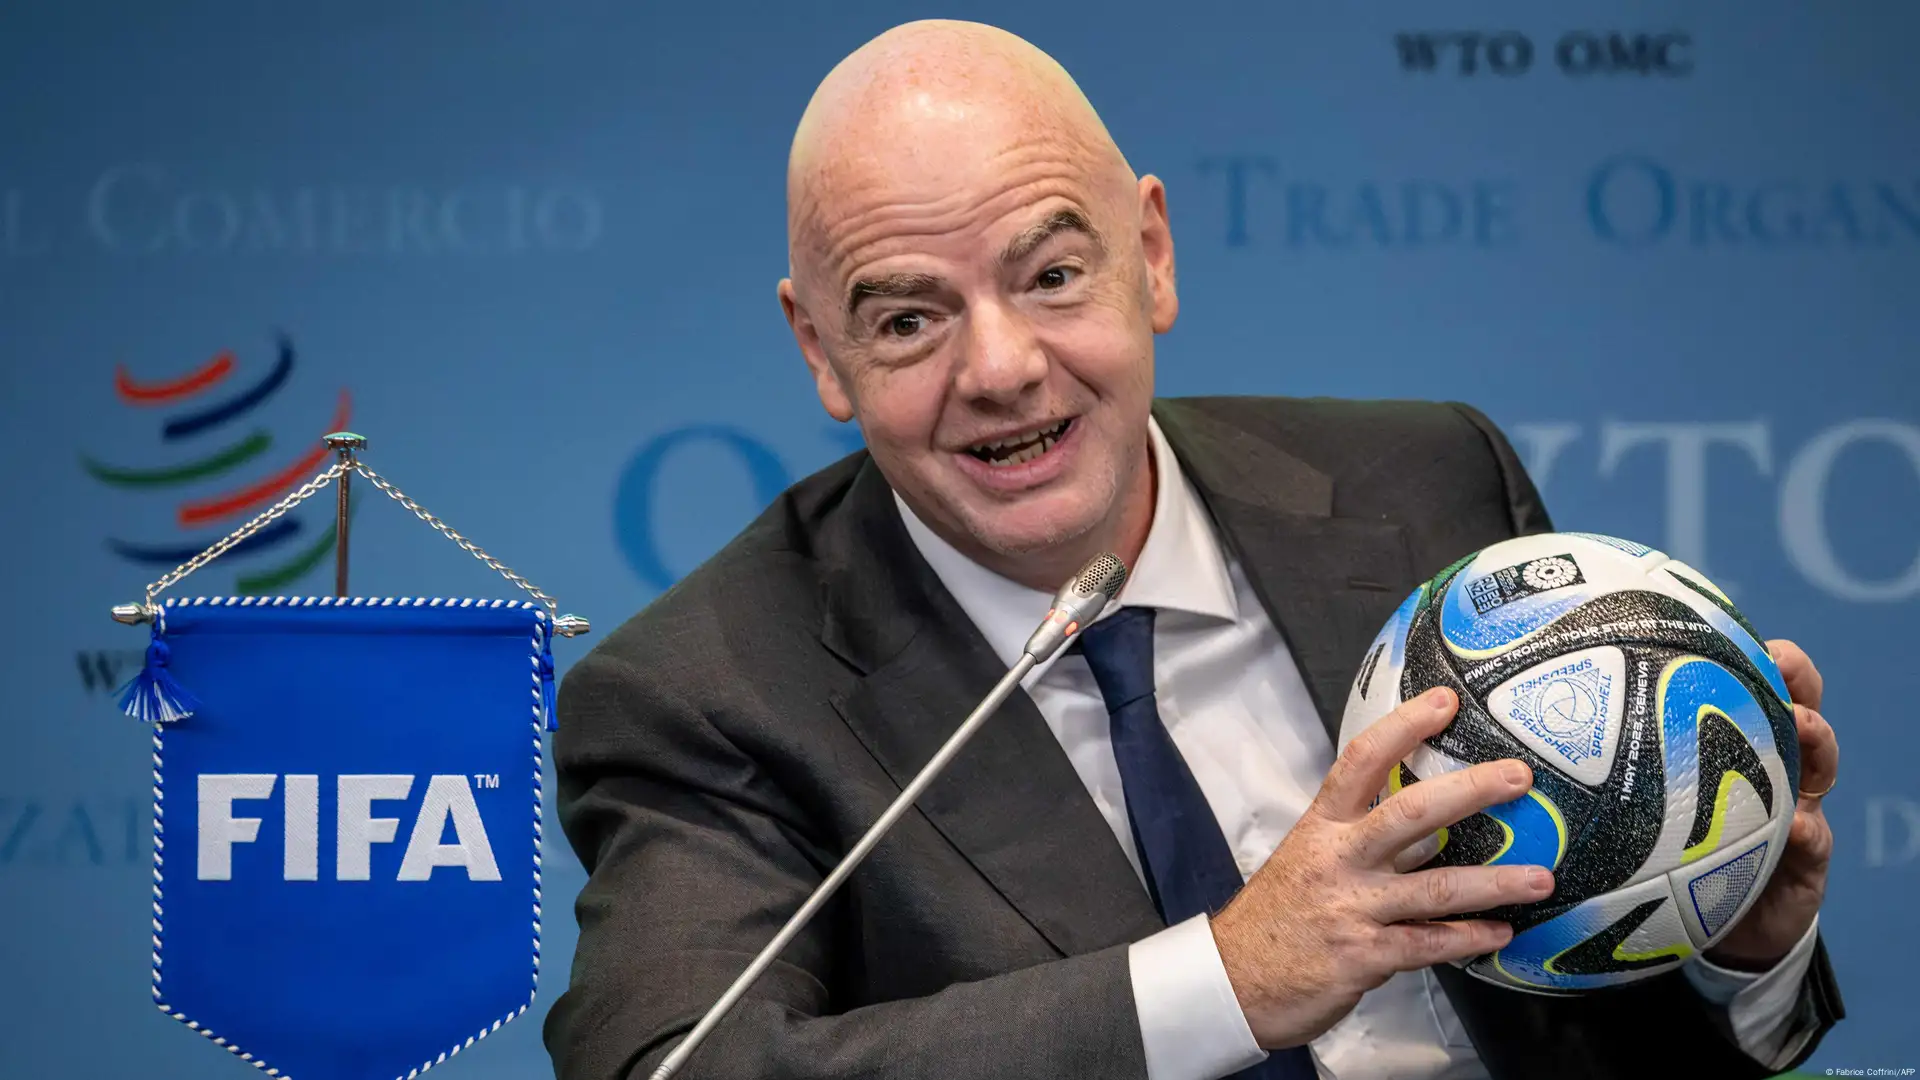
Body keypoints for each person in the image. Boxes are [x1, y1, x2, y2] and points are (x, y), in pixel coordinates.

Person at [545, 19, 1843, 1080]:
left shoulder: (1431, 485)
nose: (1000, 368)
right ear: (820, 350)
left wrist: (1736, 947)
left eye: (1052, 274)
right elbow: (669, 1067)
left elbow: (1603, 1039)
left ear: (1151, 256)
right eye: (905, 318)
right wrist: (1227, 978)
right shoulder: (705, 695)